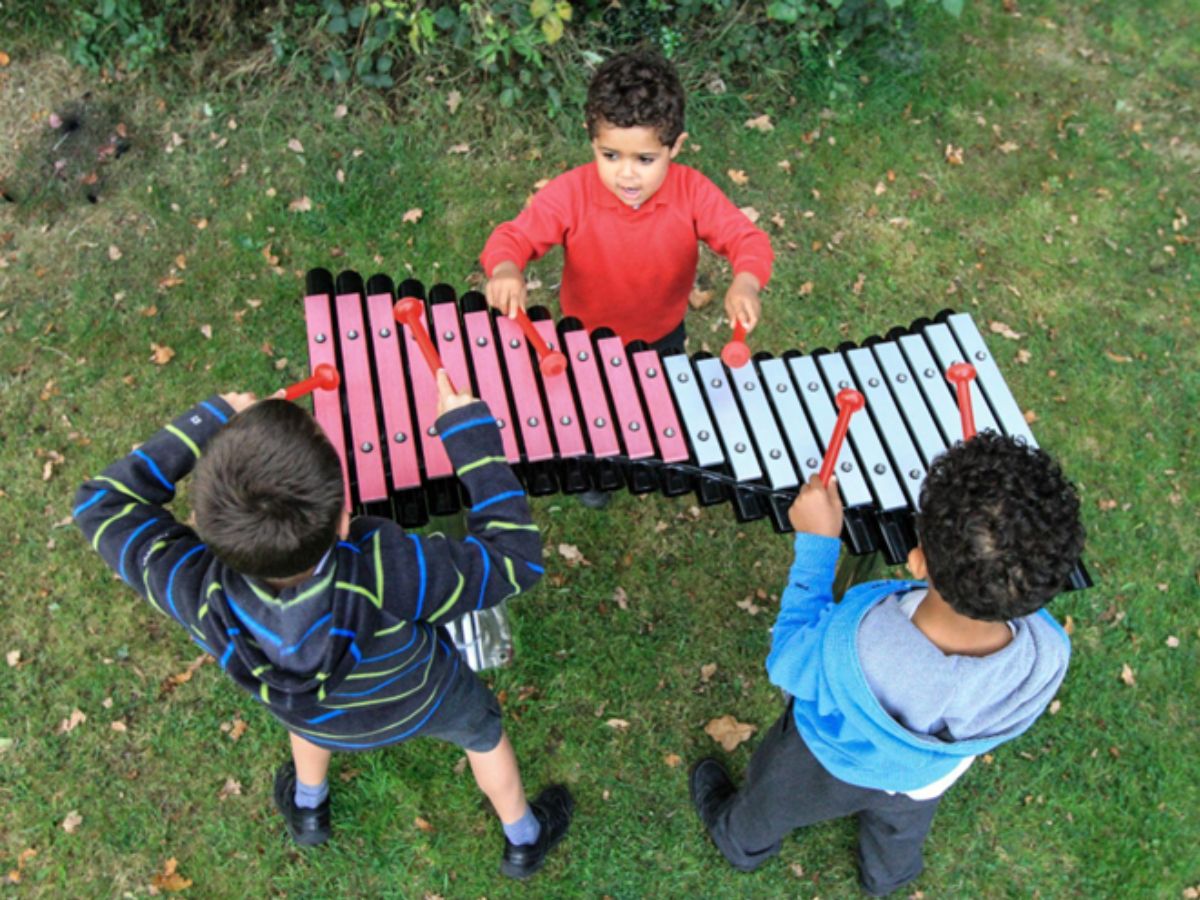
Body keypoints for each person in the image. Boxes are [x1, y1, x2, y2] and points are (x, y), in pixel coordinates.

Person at [73, 372, 572, 880]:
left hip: (312, 713)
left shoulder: (196, 590)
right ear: (344, 517)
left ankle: (309, 808)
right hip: (427, 698)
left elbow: (100, 504)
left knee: (305, 722)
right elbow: (515, 562)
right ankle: (523, 840)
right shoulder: (385, 570)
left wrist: (213, 415)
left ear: (198, 520)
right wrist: (472, 441)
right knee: (483, 733)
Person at [689, 433, 1085, 895]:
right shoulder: (1049, 651)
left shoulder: (858, 643)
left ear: (916, 561)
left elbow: (789, 658)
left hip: (825, 764)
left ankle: (740, 842)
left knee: (772, 799)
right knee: (901, 825)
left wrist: (818, 546)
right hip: (924, 779)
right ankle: (887, 878)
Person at [481, 50, 773, 507]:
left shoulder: (692, 192)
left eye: (645, 158)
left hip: (662, 335)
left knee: (655, 409)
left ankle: (650, 455)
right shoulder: (572, 193)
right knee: (590, 412)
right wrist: (505, 269)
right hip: (585, 340)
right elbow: (513, 237)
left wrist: (747, 281)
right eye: (610, 155)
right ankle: (596, 474)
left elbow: (747, 239)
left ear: (676, 146)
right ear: (591, 140)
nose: (626, 174)